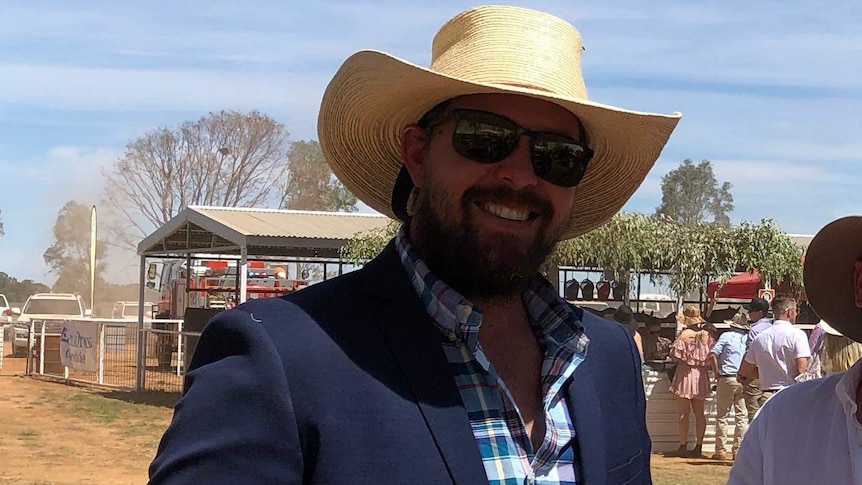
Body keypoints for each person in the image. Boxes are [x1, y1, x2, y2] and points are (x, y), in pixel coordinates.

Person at [148, 5, 681, 485]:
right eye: (484, 138)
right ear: (418, 153)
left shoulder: (606, 358)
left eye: (557, 156)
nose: (519, 175)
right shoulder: (280, 357)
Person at [729, 215, 862, 484]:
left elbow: (745, 369)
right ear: (860, 284)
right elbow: (801, 369)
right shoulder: (783, 421)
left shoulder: (782, 418)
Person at [666, 306, 719, 458]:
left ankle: (683, 445)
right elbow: (712, 357)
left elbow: (674, 355)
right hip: (701, 374)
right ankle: (699, 446)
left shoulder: (683, 336)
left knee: (683, 413)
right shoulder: (706, 337)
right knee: (699, 413)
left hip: (685, 373)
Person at [738, 295, 810, 401]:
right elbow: (801, 370)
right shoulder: (797, 335)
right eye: (796, 310)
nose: (796, 314)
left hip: (767, 396)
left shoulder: (760, 337)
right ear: (790, 312)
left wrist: (766, 374)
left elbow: (745, 370)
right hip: (789, 393)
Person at [710, 312, 750, 461]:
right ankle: (738, 449)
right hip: (742, 378)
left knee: (722, 415)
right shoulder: (747, 339)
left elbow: (713, 354)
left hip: (726, 377)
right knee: (742, 416)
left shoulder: (726, 336)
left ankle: (720, 450)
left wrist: (716, 374)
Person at [742, 297, 772, 419]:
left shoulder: (754, 330)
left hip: (755, 374)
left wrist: (743, 374)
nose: (748, 314)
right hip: (771, 374)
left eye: (751, 311)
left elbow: (749, 353)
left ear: (759, 313)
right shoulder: (772, 328)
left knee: (754, 413)